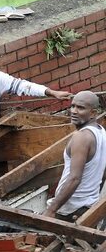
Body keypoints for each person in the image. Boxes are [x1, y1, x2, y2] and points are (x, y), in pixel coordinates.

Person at [43, 91, 106, 221]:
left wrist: (51, 210)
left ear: (93, 113)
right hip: (87, 208)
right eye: (72, 106)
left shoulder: (81, 137)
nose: (74, 111)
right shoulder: (101, 131)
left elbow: (74, 178)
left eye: (81, 108)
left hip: (70, 211)